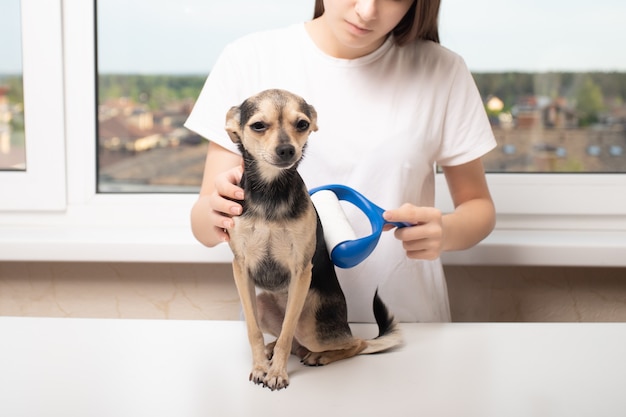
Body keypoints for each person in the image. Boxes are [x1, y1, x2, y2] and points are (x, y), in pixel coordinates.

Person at [185, 0, 496, 323]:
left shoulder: (443, 70)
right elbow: (202, 225)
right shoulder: (248, 58)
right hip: (283, 341)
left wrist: (445, 231)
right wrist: (218, 211)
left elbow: (479, 207)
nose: (367, 11)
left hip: (406, 328)